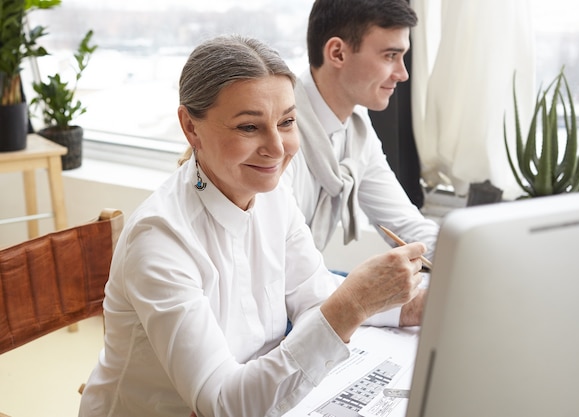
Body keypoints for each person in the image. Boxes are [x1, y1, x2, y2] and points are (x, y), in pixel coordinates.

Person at [78, 34, 427, 417]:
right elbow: (225, 404)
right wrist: (353, 304)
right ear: (191, 128)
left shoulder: (273, 196)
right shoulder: (160, 240)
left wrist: (405, 306)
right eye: (249, 127)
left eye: (288, 122)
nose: (277, 148)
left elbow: (315, 299)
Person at [283, 0, 440, 260]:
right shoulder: (277, 132)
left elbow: (405, 224)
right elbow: (282, 270)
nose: (402, 74)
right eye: (390, 56)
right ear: (337, 53)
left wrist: (471, 259)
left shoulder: (356, 126)